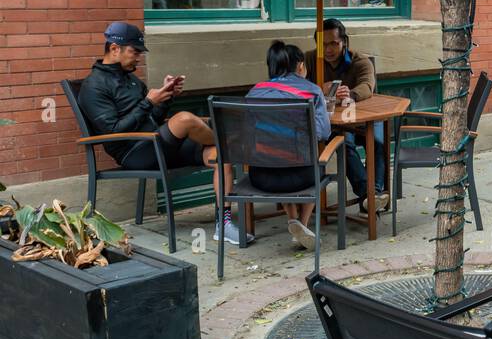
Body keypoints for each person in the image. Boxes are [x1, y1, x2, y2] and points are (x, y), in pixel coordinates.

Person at [78, 22, 242, 245]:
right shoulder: (94, 86)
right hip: (134, 153)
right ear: (115, 48)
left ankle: (223, 225)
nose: (138, 58)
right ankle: (232, 143)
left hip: (158, 144)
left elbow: (153, 119)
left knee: (219, 156)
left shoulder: (132, 80)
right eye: (134, 52)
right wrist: (147, 102)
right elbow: (113, 130)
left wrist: (166, 98)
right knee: (185, 119)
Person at [243, 42, 333, 250]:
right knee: (314, 160)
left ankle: (293, 220)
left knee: (277, 154)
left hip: (261, 177)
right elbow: (322, 133)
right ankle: (302, 223)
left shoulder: (255, 92)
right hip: (301, 178)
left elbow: (246, 134)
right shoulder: (312, 91)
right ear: (300, 66)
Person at [311, 18, 388, 213]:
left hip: (365, 118)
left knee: (378, 142)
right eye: (323, 44)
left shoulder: (360, 61)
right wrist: (321, 90)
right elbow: (296, 86)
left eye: (333, 43)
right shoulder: (310, 60)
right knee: (345, 144)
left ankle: (374, 193)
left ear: (344, 41)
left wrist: (351, 94)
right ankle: (369, 197)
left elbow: (367, 86)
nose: (328, 49)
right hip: (334, 123)